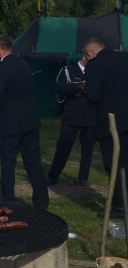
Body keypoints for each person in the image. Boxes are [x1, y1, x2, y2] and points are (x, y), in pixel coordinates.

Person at [0, 34, 48, 209]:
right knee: (33, 162)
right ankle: (41, 200)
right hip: (29, 120)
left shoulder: (1, 70)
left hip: (10, 123)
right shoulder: (24, 65)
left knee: (8, 162)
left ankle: (8, 199)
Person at [47, 52, 96, 186]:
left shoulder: (95, 72)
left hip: (90, 115)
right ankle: (53, 175)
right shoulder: (68, 70)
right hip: (72, 114)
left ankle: (83, 177)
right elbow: (59, 87)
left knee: (88, 148)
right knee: (63, 146)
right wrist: (78, 86)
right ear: (85, 56)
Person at [83, 37, 128, 179]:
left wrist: (86, 87)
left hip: (111, 121)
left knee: (114, 163)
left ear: (89, 54)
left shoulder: (95, 64)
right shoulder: (125, 57)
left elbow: (93, 96)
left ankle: (119, 199)